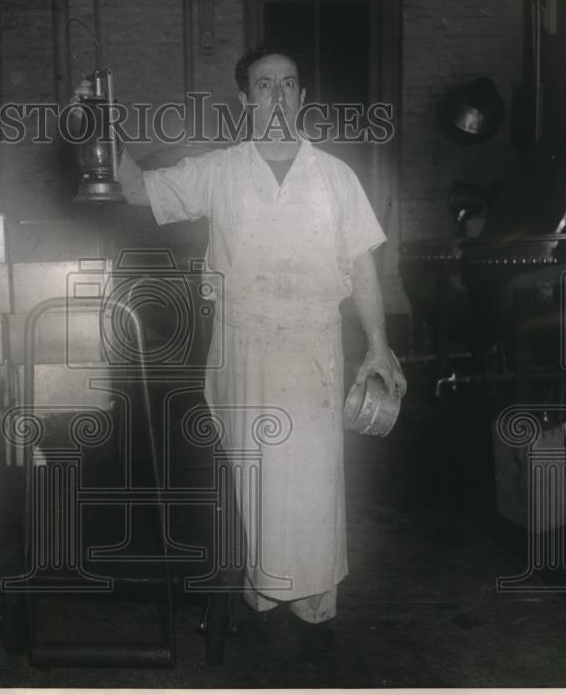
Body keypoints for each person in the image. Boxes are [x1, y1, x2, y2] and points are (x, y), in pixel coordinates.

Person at [100, 45, 407, 634]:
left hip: (312, 344)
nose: (277, 94)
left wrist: (377, 343)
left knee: (315, 475)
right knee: (255, 472)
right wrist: (101, 126)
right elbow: (138, 189)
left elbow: (363, 265)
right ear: (244, 99)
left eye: (289, 84)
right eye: (264, 84)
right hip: (242, 346)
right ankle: (263, 590)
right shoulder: (219, 170)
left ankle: (315, 595)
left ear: (303, 98)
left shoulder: (337, 176)